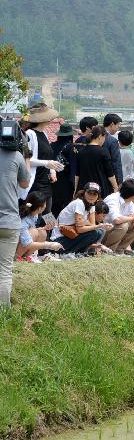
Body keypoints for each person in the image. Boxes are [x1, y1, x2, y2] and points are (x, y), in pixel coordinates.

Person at [0, 135, 31, 303]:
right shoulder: (16, 156)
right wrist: (26, 156)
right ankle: (3, 314)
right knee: (4, 271)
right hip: (9, 222)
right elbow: (25, 184)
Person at [20, 103, 64, 209]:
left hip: (45, 181)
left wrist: (52, 170)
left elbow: (47, 156)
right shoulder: (31, 134)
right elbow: (27, 159)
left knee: (47, 213)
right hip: (35, 182)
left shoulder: (44, 133)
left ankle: (50, 226)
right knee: (35, 214)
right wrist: (47, 164)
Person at [51, 183, 112, 255]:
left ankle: (81, 251)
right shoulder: (79, 203)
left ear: (98, 196)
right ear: (84, 193)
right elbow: (80, 229)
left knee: (99, 231)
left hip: (71, 237)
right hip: (59, 241)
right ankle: (69, 253)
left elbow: (92, 226)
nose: (91, 196)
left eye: (94, 194)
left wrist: (86, 222)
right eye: (89, 193)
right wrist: (99, 225)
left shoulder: (92, 205)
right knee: (95, 232)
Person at [16, 192, 63, 260]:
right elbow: (27, 243)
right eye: (45, 203)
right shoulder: (24, 221)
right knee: (34, 232)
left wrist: (44, 228)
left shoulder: (34, 214)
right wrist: (49, 245)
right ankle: (17, 258)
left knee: (42, 232)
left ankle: (26, 257)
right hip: (16, 247)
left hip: (22, 241)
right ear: (40, 208)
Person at [102, 179, 134, 253]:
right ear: (133, 195)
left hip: (113, 230)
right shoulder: (112, 199)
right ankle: (108, 250)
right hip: (103, 231)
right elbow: (117, 220)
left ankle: (119, 250)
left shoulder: (129, 202)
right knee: (123, 226)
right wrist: (132, 218)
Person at [75, 125, 119, 196]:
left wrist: (75, 190)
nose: (104, 140)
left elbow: (77, 174)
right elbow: (110, 173)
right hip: (99, 188)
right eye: (104, 137)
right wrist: (115, 187)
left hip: (84, 189)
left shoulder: (81, 152)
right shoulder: (103, 152)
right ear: (100, 136)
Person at [50, 123, 76, 215]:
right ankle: (61, 227)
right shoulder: (71, 147)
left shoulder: (51, 145)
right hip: (65, 182)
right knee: (64, 207)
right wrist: (74, 184)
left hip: (51, 180)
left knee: (52, 207)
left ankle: (49, 227)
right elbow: (73, 167)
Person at [102, 113, 124, 184]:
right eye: (118, 125)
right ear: (112, 124)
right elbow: (116, 163)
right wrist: (119, 182)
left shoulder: (93, 138)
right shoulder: (112, 141)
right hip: (108, 180)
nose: (118, 128)